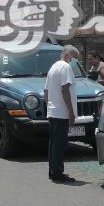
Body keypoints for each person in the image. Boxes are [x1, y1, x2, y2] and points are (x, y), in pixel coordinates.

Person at [44, 45, 79, 183]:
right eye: (75, 58)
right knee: (59, 143)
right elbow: (65, 89)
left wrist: (50, 106)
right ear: (69, 55)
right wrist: (70, 112)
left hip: (53, 111)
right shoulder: (65, 67)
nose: (75, 62)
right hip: (61, 112)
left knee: (53, 143)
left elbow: (46, 92)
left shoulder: (54, 67)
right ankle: (57, 172)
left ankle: (52, 170)